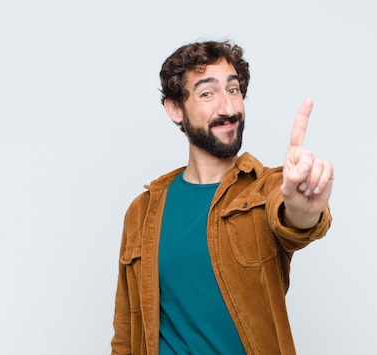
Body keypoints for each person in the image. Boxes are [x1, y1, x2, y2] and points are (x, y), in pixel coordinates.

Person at [110, 40, 333, 355]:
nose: (228, 108)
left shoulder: (267, 188)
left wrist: (302, 209)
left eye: (233, 90)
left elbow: (293, 221)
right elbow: (125, 337)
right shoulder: (142, 211)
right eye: (207, 93)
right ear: (176, 109)